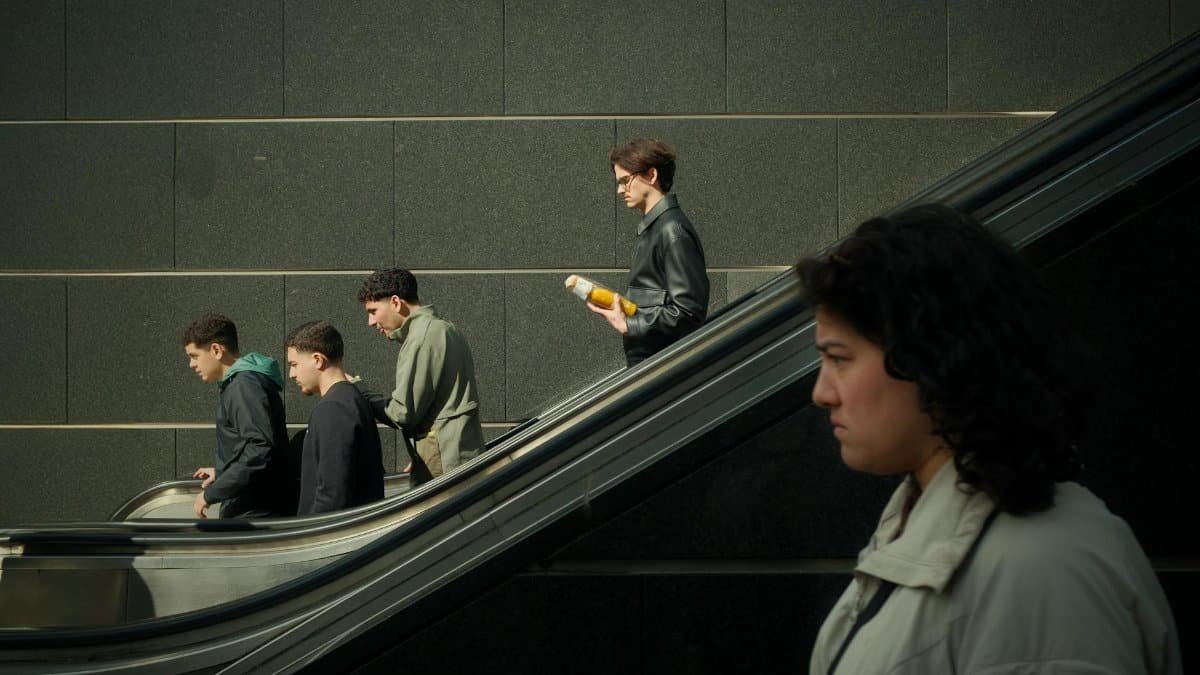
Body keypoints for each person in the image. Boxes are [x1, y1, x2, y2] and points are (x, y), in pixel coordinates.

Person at [798, 204, 1182, 674]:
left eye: (839, 358)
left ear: (930, 358)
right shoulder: (940, 525)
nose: (821, 393)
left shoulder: (1041, 570)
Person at [355, 268, 484, 486]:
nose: (370, 321)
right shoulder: (446, 328)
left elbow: (402, 413)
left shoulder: (421, 338)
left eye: (373, 311)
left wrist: (362, 392)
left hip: (445, 466)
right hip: (457, 456)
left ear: (396, 302)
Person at [587, 137, 709, 366]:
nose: (619, 190)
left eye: (625, 181)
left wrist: (629, 324)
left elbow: (689, 313)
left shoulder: (672, 230)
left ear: (651, 175)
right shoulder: (658, 228)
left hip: (663, 368)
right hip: (653, 365)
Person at [183, 314, 295, 519]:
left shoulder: (243, 385)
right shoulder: (243, 383)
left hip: (255, 513)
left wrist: (213, 493)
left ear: (216, 350)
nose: (191, 364)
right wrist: (223, 472)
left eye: (194, 356)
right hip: (257, 508)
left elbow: (260, 448)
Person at [285, 320, 384, 515]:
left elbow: (332, 494)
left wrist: (312, 530)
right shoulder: (351, 399)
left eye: (294, 364)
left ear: (318, 360)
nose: (291, 374)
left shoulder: (333, 408)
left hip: (331, 531)